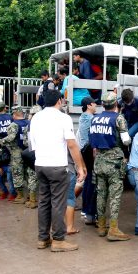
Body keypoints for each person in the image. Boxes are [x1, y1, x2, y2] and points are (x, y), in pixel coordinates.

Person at [30, 90, 86, 252]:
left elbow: (32, 144)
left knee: (44, 202)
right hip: (57, 166)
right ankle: (58, 240)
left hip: (40, 164)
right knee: (58, 203)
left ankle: (43, 238)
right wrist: (80, 167)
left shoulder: (36, 118)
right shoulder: (63, 118)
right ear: (59, 101)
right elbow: (72, 144)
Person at [90, 92, 131, 241]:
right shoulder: (118, 118)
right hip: (114, 162)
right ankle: (113, 229)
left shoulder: (95, 118)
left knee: (101, 194)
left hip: (99, 161)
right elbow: (126, 141)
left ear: (103, 104)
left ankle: (101, 226)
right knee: (114, 195)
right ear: (115, 104)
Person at [0, 106, 30, 204]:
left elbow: (10, 138)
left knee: (17, 173)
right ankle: (29, 195)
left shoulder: (13, 125)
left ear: (14, 114)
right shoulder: (29, 123)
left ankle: (20, 196)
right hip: (28, 151)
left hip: (17, 153)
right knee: (28, 173)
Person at [77, 96, 97, 224]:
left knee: (88, 180)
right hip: (89, 152)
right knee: (91, 182)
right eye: (94, 104)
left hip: (84, 151)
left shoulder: (82, 117)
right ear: (89, 105)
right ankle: (89, 210)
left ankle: (85, 209)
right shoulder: (90, 119)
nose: (96, 106)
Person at [0, 103, 16, 200]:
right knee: (9, 173)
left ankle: (6, 191)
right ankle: (12, 193)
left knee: (1, 174)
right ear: (5, 108)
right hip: (11, 146)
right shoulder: (11, 118)